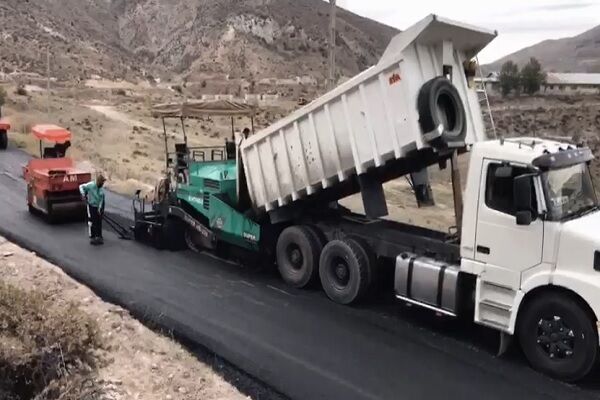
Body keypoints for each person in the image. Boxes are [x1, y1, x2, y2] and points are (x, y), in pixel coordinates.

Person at [79, 174, 106, 245]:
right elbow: (81, 186)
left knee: (99, 220)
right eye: (102, 182)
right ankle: (93, 236)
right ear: (98, 181)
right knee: (93, 220)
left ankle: (99, 236)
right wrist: (83, 194)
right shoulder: (90, 185)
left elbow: (101, 200)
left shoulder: (101, 189)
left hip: (98, 205)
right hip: (91, 205)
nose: (102, 184)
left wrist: (100, 209)